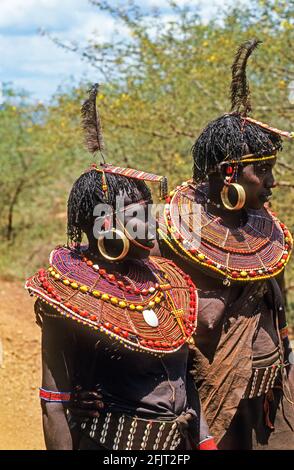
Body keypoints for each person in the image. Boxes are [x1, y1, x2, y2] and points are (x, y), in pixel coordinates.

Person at [25, 85, 216, 450]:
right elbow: (54, 404)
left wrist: (205, 442)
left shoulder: (166, 281)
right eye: (139, 215)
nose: (152, 222)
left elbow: (183, 378)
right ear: (106, 227)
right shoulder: (67, 296)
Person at [158, 39, 294, 449]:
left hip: (271, 390)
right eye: (263, 171)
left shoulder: (267, 229)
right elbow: (176, 329)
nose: (271, 182)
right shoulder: (173, 234)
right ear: (228, 172)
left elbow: (280, 311)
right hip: (205, 398)